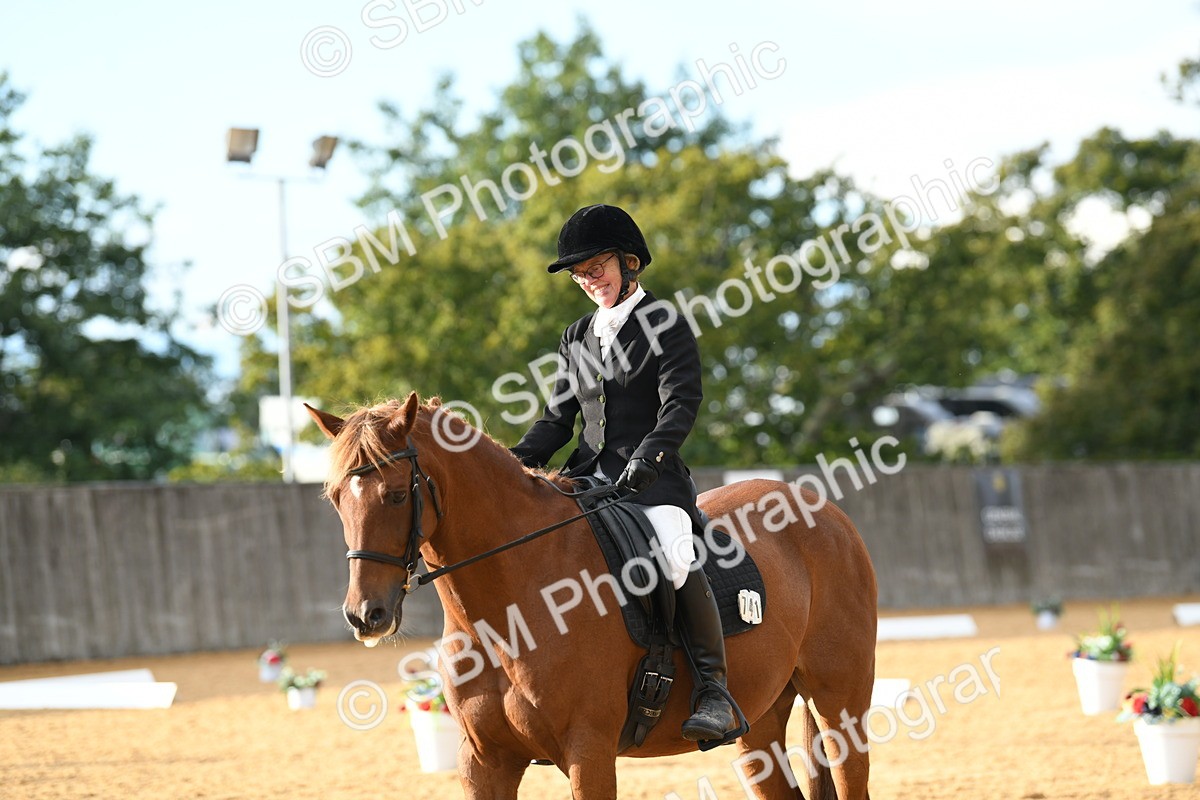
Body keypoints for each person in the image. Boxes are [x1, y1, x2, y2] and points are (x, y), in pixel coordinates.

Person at [510, 203, 736, 742]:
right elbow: (559, 417)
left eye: (597, 268)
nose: (590, 282)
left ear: (629, 263)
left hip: (652, 479)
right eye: (580, 275)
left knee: (675, 548)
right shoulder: (575, 336)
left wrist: (649, 457)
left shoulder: (666, 323)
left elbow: (680, 402)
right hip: (588, 478)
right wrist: (513, 464)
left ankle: (714, 689)